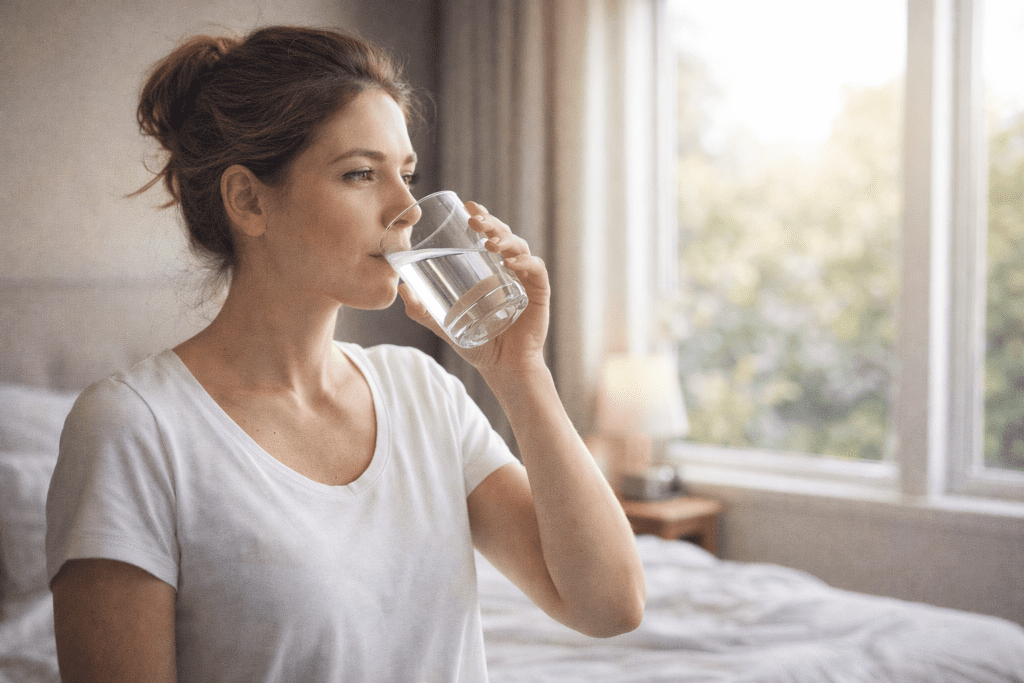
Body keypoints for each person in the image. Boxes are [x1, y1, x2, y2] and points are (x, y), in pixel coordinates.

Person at [45, 25, 645, 682]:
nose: (407, 210)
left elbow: (610, 604)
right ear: (249, 199)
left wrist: (520, 372)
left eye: (407, 175)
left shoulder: (423, 391)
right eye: (361, 173)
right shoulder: (136, 428)